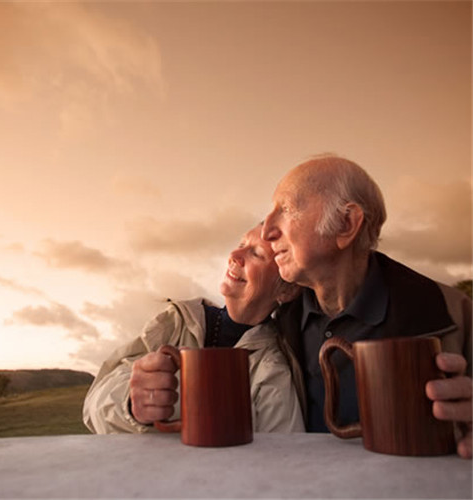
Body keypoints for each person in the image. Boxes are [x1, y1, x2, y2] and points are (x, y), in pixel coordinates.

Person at [261, 154, 472, 458]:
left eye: (286, 209)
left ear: (346, 224)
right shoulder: (277, 322)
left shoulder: (454, 313)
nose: (267, 231)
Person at [83, 224, 305, 434]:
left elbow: (281, 457)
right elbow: (93, 407)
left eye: (256, 253)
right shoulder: (175, 323)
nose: (235, 256)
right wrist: (130, 404)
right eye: (241, 244)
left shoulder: (272, 368)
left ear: (286, 291)